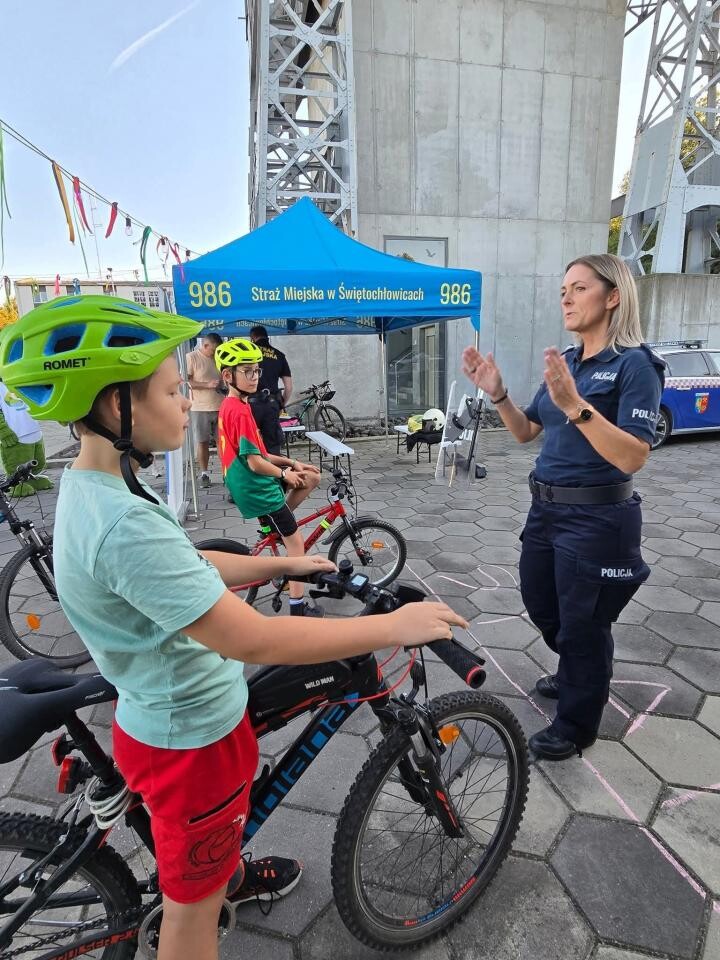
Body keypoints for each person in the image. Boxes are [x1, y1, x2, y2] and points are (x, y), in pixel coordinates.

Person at [0, 295, 465, 960]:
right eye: (170, 389)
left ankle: (229, 876)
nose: (189, 402)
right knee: (190, 922)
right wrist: (395, 628)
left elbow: (182, 564)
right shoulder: (124, 523)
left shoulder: (101, 486)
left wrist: (280, 562)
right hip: (190, 743)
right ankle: (210, 888)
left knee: (207, 860)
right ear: (112, 405)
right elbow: (250, 640)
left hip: (162, 719)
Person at [462, 254, 665, 761]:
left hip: (597, 519)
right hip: (546, 513)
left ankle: (576, 725)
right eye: (562, 290)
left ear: (612, 296)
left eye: (578, 288)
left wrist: (578, 406)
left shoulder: (634, 365)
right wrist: (500, 393)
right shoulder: (567, 365)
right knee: (542, 604)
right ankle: (580, 669)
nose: (566, 298)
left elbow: (634, 455)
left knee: (583, 625)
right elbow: (525, 431)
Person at [216, 338, 323, 617]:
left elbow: (261, 452)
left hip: (251, 483)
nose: (254, 377)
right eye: (247, 371)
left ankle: (278, 522)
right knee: (296, 543)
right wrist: (285, 474)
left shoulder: (236, 405)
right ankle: (298, 607)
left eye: (257, 371)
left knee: (311, 476)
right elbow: (255, 464)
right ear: (228, 376)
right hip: (257, 488)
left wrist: (292, 462)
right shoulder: (238, 411)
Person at [186, 332, 223, 488]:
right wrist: (207, 385)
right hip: (200, 407)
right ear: (205, 345)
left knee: (223, 443)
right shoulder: (191, 357)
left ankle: (227, 474)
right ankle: (204, 474)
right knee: (203, 442)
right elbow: (186, 381)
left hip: (221, 406)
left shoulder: (219, 358)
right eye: (213, 351)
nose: (215, 354)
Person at [248, 324, 292, 455]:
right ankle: (274, 473)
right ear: (267, 337)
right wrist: (281, 404)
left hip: (250, 405)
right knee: (272, 445)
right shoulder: (279, 355)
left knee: (249, 443)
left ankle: (254, 471)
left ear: (253, 338)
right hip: (272, 404)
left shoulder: (249, 354)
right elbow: (289, 387)